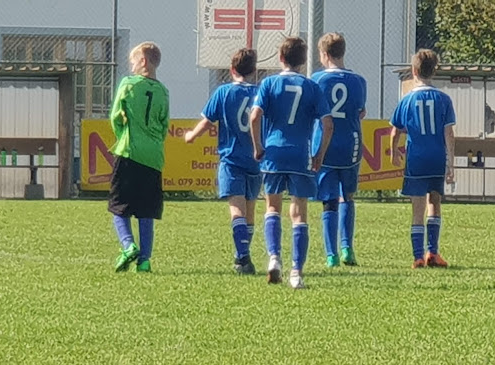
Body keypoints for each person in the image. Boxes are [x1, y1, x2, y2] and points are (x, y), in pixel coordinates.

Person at [249, 37, 334, 289]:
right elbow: (328, 124)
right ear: (304, 60)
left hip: (274, 152)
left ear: (281, 58)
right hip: (301, 154)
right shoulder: (312, 87)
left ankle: (274, 258)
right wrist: (319, 153)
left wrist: (258, 146)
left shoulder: (269, 83)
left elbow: (254, 117)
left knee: (272, 208)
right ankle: (296, 273)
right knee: (299, 214)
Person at [185, 48, 260, 275]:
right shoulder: (261, 93)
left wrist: (191, 135)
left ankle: (242, 257)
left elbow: (207, 121)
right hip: (256, 159)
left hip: (231, 159)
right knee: (250, 210)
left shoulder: (224, 92)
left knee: (236, 210)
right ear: (255, 71)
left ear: (231, 70)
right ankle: (242, 256)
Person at [390, 49, 455, 269]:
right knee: (434, 203)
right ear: (434, 71)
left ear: (414, 71)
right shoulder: (444, 99)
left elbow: (395, 131)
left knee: (417, 208)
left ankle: (418, 256)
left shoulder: (407, 100)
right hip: (436, 158)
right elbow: (449, 133)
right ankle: (433, 253)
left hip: (416, 158)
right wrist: (451, 163)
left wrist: (395, 152)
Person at [108, 42, 169, 273]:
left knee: (118, 205)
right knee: (146, 210)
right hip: (153, 157)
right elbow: (165, 125)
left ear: (143, 61)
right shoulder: (163, 91)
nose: (131, 66)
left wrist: (123, 136)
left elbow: (115, 116)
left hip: (129, 151)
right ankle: (144, 261)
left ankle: (127, 245)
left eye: (133, 61)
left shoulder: (128, 84)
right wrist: (153, 142)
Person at [311, 33, 367, 268]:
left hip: (325, 143)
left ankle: (331, 255)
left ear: (324, 54)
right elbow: (361, 112)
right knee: (348, 195)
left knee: (328, 199)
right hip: (350, 143)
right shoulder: (359, 81)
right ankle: (347, 248)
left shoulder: (316, 79)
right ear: (343, 52)